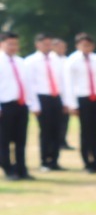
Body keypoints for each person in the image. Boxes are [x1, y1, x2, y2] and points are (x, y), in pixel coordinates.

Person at [66, 33, 96, 173]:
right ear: (78, 46)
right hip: (82, 98)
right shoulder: (72, 61)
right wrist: (72, 104)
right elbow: (69, 84)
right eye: (84, 45)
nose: (87, 48)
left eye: (89, 45)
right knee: (86, 132)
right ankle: (87, 162)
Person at [23, 34, 66, 171]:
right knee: (45, 131)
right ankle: (44, 161)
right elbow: (29, 84)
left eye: (49, 44)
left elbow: (62, 81)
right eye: (45, 44)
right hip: (42, 98)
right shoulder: (31, 61)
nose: (48, 47)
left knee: (57, 130)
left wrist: (65, 101)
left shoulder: (56, 60)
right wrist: (34, 104)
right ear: (38, 44)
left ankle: (54, 160)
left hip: (56, 97)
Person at [1, 31, 37, 180]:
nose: (13, 47)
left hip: (21, 104)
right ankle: (8, 170)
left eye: (15, 44)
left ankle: (21, 169)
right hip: (5, 105)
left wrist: (32, 104)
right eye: (10, 44)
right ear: (2, 44)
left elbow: (28, 84)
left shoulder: (21, 62)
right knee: (4, 140)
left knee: (20, 140)